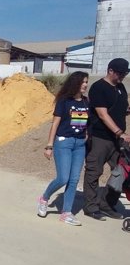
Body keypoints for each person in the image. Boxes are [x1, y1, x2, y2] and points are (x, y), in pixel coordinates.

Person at [37, 72, 89, 226]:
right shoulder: (64, 101)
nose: (85, 84)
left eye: (86, 82)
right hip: (63, 143)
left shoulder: (86, 102)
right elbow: (55, 124)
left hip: (79, 144)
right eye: (83, 82)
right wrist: (49, 145)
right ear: (75, 83)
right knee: (63, 178)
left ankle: (66, 212)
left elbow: (88, 122)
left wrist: (85, 135)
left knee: (73, 180)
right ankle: (44, 198)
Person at [82, 58, 130, 221]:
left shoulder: (121, 87)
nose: (123, 76)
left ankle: (107, 204)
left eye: (125, 73)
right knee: (94, 172)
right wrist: (119, 132)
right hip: (100, 137)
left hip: (118, 140)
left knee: (121, 173)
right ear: (110, 71)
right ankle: (91, 207)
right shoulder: (98, 88)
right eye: (120, 73)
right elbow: (102, 114)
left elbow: (122, 108)